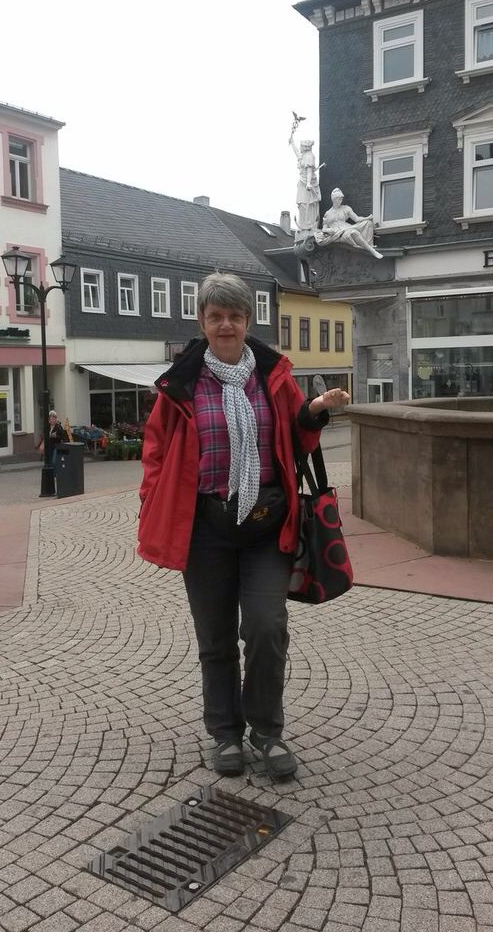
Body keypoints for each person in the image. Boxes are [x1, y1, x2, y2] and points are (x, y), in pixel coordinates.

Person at [138, 273, 350, 780]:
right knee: (215, 639)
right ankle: (225, 734)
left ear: (248, 321)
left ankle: (267, 731)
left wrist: (314, 413)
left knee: (266, 627)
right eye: (216, 316)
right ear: (202, 322)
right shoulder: (182, 383)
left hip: (265, 526)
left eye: (235, 316)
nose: (226, 325)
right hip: (205, 529)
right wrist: (154, 500)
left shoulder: (273, 375)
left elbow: (296, 439)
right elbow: (156, 450)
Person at [315, 188, 383, 259]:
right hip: (337, 233)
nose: (340, 201)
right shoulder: (328, 213)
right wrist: (329, 230)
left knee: (368, 223)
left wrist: (367, 218)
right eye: (338, 199)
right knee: (353, 232)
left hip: (346, 227)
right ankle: (372, 251)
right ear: (334, 199)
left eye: (341, 199)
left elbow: (356, 219)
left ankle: (368, 245)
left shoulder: (346, 208)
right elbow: (324, 228)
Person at [289, 133, 321, 231]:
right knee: (301, 204)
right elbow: (296, 152)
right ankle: (303, 224)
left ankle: (309, 224)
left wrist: (308, 183)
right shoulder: (303, 155)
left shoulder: (309, 157)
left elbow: (309, 171)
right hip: (302, 182)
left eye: (301, 146)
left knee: (308, 204)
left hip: (308, 183)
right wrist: (292, 141)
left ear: (305, 147)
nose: (300, 148)